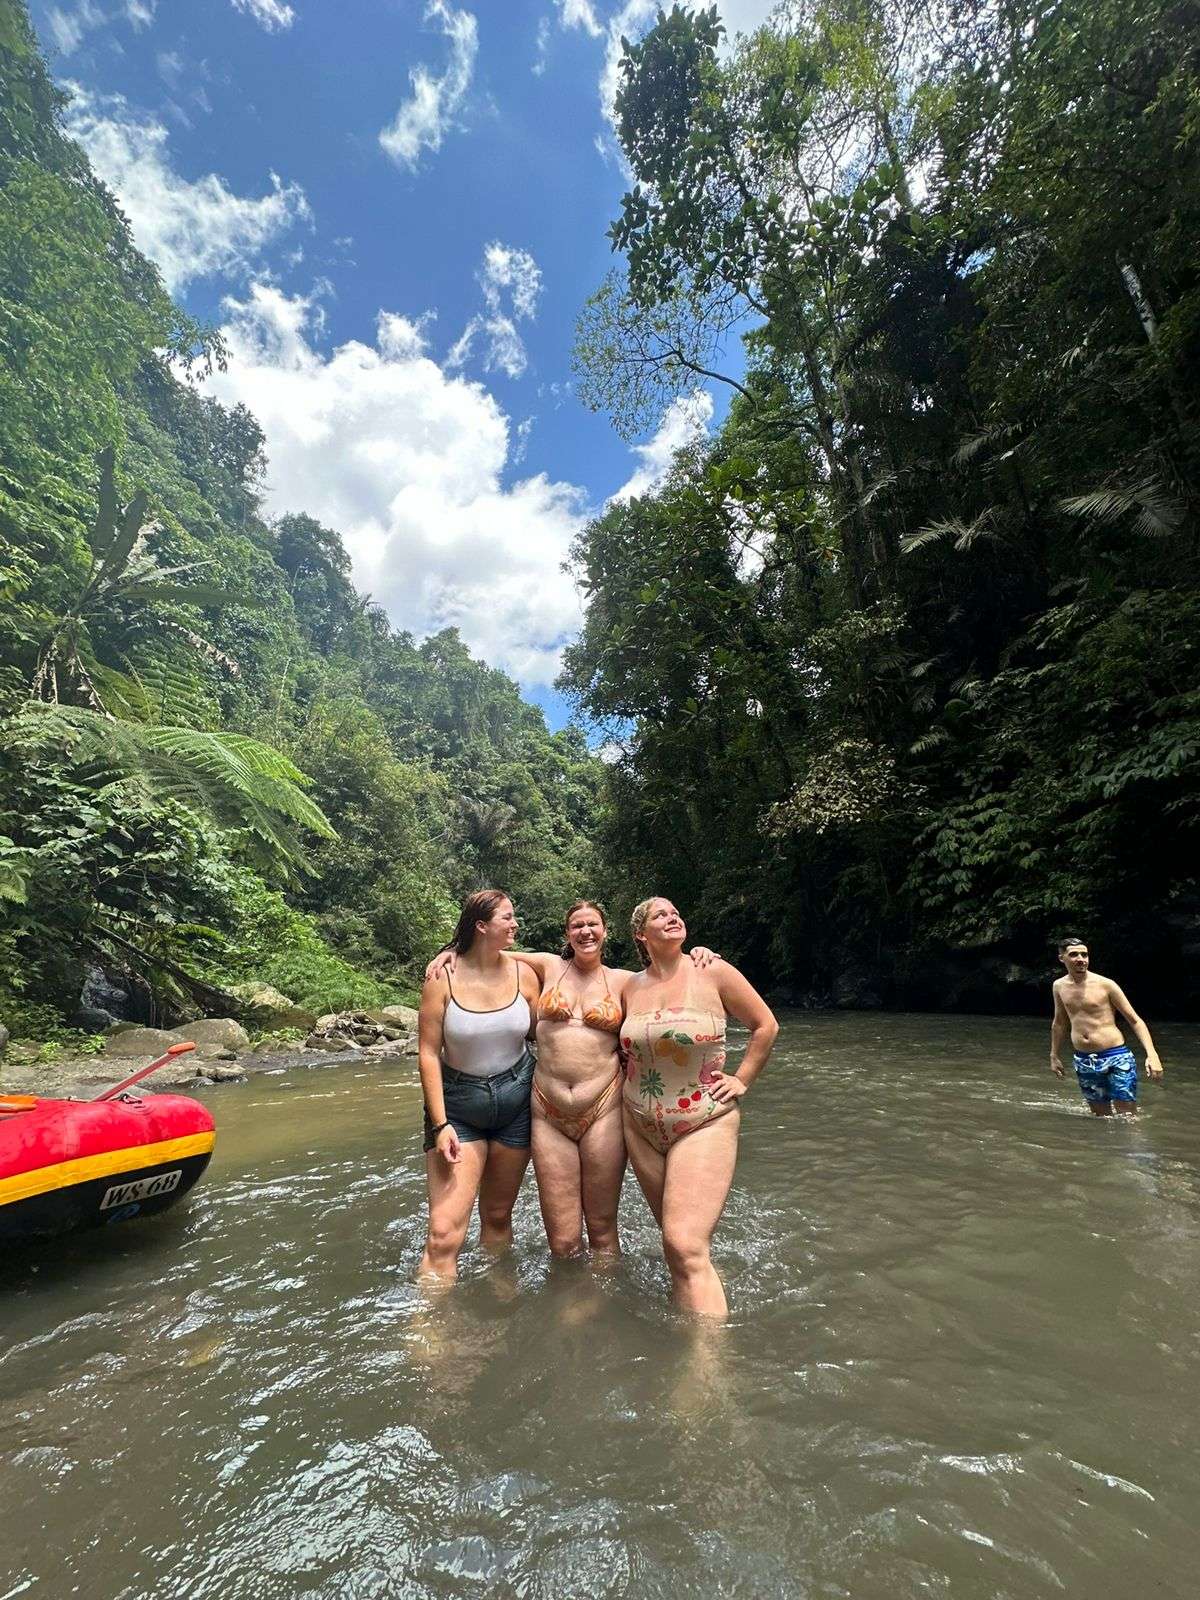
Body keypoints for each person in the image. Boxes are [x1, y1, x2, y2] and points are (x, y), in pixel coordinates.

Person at [427, 902, 718, 1259]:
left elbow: (666, 994)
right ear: (567, 934)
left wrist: (698, 955)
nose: (585, 931)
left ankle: (604, 1293)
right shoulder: (548, 965)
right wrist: (450, 953)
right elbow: (489, 951)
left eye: (592, 924)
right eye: (577, 925)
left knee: (602, 1232)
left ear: (605, 931)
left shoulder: (626, 981)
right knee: (563, 1243)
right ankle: (566, 1293)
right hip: (547, 1111)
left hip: (603, 1108)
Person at [622, 896, 778, 1318]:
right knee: (677, 1244)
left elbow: (765, 1025)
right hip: (640, 1126)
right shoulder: (629, 986)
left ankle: (708, 1354)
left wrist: (742, 1078)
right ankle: (688, 1317)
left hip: (703, 1120)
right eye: (660, 915)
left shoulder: (712, 970)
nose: (672, 917)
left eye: (676, 912)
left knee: (685, 1244)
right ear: (641, 934)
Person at [417, 889, 542, 1281]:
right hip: (458, 1109)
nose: (515, 924)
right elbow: (427, 1053)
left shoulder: (525, 974)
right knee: (443, 1234)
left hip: (517, 1104)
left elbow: (545, 1033)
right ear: (481, 925)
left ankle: (498, 1301)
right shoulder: (442, 977)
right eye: (507, 917)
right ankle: (428, 1317)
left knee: (498, 1216)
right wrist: (440, 1125)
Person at [1050, 936, 1164, 1115]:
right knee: (1100, 1116)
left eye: (1084, 954)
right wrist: (1054, 1055)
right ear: (1061, 958)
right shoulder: (1059, 986)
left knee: (1127, 1115)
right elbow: (1059, 1022)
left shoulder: (1106, 985)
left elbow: (1135, 1020)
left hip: (1116, 1057)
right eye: (1074, 954)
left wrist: (1152, 1055)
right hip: (1084, 1060)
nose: (1081, 959)